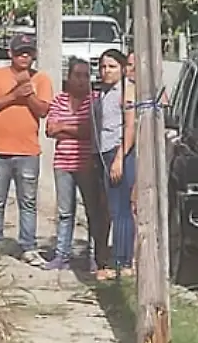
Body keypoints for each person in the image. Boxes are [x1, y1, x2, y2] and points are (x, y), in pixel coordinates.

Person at [0, 32, 53, 265]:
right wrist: (13, 96)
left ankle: (28, 246)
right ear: (10, 54)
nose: (24, 56)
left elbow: (43, 110)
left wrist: (27, 92)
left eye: (28, 53)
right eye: (20, 52)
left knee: (28, 202)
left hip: (28, 151)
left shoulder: (41, 79)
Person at [44, 59, 109, 271]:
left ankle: (92, 256)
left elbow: (90, 130)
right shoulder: (59, 100)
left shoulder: (95, 100)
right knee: (65, 212)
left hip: (86, 164)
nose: (82, 80)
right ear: (69, 77)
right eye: (77, 75)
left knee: (92, 211)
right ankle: (62, 255)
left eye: (85, 75)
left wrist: (64, 126)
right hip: (63, 163)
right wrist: (75, 127)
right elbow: (50, 130)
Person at [94, 49, 137, 280]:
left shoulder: (126, 91)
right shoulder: (104, 92)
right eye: (103, 67)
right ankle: (116, 260)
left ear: (121, 67)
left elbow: (130, 127)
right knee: (113, 208)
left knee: (122, 210)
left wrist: (120, 157)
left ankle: (124, 262)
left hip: (119, 154)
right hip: (104, 153)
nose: (106, 71)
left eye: (111, 66)